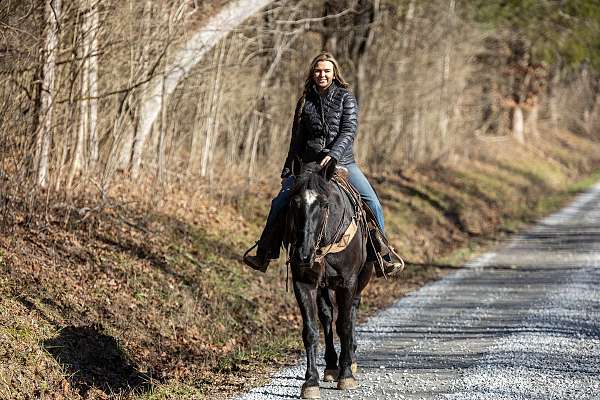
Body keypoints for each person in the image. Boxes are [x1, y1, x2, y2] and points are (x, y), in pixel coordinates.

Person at [244, 52, 403, 275]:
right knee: (279, 202)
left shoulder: (346, 97)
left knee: (373, 203)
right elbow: (296, 139)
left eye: (327, 71)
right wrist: (289, 168)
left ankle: (382, 256)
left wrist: (334, 154)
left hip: (342, 163)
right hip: (308, 166)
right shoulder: (305, 102)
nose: (322, 75)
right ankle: (264, 253)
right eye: (318, 71)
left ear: (334, 73)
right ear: (312, 73)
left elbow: (349, 131)